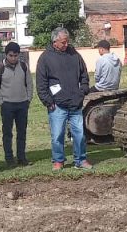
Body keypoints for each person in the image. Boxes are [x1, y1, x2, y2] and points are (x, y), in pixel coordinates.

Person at [37, 27, 93, 171]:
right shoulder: (45, 58)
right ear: (55, 41)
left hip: (76, 103)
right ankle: (58, 161)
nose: (66, 44)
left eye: (67, 42)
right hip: (57, 105)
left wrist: (83, 90)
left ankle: (81, 159)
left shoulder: (75, 55)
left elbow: (84, 75)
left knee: (79, 135)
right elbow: (41, 84)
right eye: (63, 42)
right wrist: (48, 101)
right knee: (57, 136)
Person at [0, 42, 34, 166]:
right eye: (11, 55)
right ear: (6, 55)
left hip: (22, 104)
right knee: (7, 133)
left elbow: (30, 84)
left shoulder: (23, 66)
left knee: (22, 132)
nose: (13, 58)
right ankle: (9, 159)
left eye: (16, 55)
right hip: (7, 105)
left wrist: (28, 99)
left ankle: (22, 158)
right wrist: (1, 102)